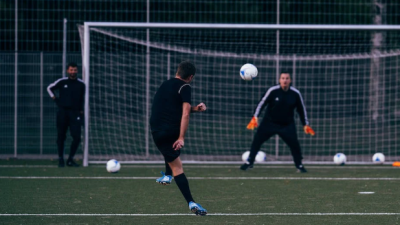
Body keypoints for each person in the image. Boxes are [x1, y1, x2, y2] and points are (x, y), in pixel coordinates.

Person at [150, 61, 207, 215]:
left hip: (156, 130)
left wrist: (196, 108)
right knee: (178, 167)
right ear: (190, 77)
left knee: (169, 149)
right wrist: (181, 137)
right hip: (170, 130)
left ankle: (167, 176)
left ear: (177, 71)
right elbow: (185, 114)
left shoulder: (165, 84)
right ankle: (191, 203)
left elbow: (177, 108)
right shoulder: (185, 86)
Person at [240, 71, 315, 173]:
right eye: (283, 78)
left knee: (295, 145)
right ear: (279, 80)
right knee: (257, 141)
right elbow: (262, 103)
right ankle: (249, 162)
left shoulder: (295, 93)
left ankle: (299, 165)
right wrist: (255, 117)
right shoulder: (273, 91)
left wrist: (305, 124)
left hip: (287, 125)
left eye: (287, 78)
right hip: (269, 123)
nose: (285, 80)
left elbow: (301, 109)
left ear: (290, 80)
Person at [47, 62, 85, 167]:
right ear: (68, 71)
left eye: (75, 70)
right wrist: (55, 99)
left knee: (77, 137)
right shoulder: (62, 81)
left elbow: (82, 99)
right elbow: (49, 88)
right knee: (61, 136)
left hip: (75, 113)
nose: (73, 72)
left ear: (77, 71)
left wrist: (81, 111)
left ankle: (70, 159)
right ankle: (60, 159)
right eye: (71, 70)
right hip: (62, 113)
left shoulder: (81, 84)